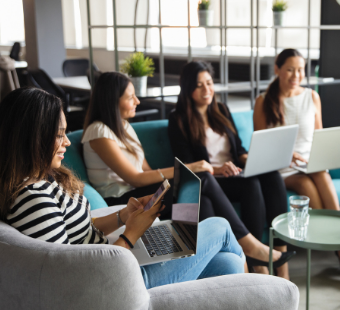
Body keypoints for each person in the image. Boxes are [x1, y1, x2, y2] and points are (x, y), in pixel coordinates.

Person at [0, 87, 246, 290]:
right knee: (221, 227)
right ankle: (261, 281)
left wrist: (123, 216)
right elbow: (73, 277)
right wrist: (130, 235)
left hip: (115, 259)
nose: (66, 141)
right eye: (58, 134)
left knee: (228, 263)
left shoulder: (44, 181)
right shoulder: (33, 198)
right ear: (32, 138)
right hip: (116, 280)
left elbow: (79, 234)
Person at [82, 71, 294, 277]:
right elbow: (134, 178)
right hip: (126, 200)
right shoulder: (98, 131)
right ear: (111, 100)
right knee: (201, 178)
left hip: (140, 192)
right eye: (130, 97)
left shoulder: (124, 127)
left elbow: (145, 170)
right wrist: (188, 168)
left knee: (203, 197)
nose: (137, 101)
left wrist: (183, 174)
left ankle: (228, 267)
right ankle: (248, 246)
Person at [168, 61, 294, 279]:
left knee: (272, 175)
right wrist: (219, 169)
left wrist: (257, 158)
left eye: (209, 83)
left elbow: (239, 151)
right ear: (188, 88)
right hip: (213, 179)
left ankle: (277, 255)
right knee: (250, 184)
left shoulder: (222, 110)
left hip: (235, 173)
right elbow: (189, 166)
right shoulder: (178, 120)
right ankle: (255, 254)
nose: (207, 90)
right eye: (199, 85)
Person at [253, 48, 339, 212]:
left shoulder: (312, 96)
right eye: (290, 70)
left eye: (300, 70)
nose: (296, 76)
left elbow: (318, 138)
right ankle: (320, 233)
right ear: (277, 69)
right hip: (281, 168)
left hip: (308, 163)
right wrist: (286, 154)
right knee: (304, 183)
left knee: (322, 174)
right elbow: (260, 148)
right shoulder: (262, 102)